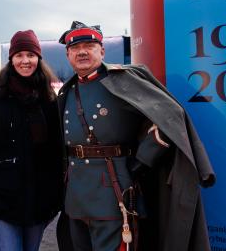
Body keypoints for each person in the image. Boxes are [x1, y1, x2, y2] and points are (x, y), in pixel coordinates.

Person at [56, 21, 215, 251]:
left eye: (89, 45)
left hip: (113, 195)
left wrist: (141, 161)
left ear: (102, 50)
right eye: (75, 48)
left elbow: (170, 115)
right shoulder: (68, 90)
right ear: (68, 55)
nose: (82, 52)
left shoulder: (124, 79)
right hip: (76, 198)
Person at [0, 29, 64, 251]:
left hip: (39, 197)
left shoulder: (49, 97)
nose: (25, 61)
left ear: (38, 59)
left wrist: (57, 194)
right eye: (19, 55)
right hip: (3, 194)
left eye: (30, 55)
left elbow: (56, 149)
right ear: (11, 59)